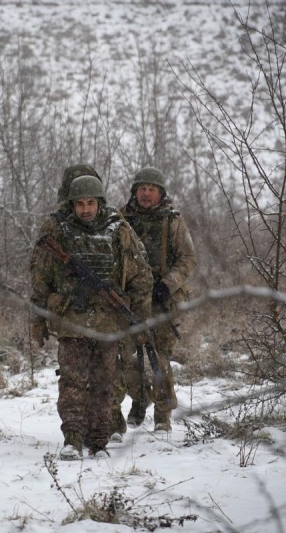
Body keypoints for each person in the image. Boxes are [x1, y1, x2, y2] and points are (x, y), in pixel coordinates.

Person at [30, 174, 152, 460]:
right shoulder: (58, 232)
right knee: (72, 381)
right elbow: (40, 278)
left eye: (91, 203)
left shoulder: (118, 230)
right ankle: (72, 438)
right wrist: (37, 320)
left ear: (100, 203)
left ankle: (98, 442)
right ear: (72, 205)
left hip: (109, 324)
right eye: (80, 204)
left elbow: (141, 277)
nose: (86, 210)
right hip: (72, 321)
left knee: (104, 383)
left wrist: (141, 320)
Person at [118, 167, 197, 432]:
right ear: (134, 192)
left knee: (159, 357)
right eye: (142, 188)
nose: (146, 193)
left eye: (152, 189)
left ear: (160, 193)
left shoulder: (172, 220)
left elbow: (188, 258)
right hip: (130, 300)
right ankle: (140, 401)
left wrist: (168, 284)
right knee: (127, 356)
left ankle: (163, 415)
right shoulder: (121, 219)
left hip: (164, 299)